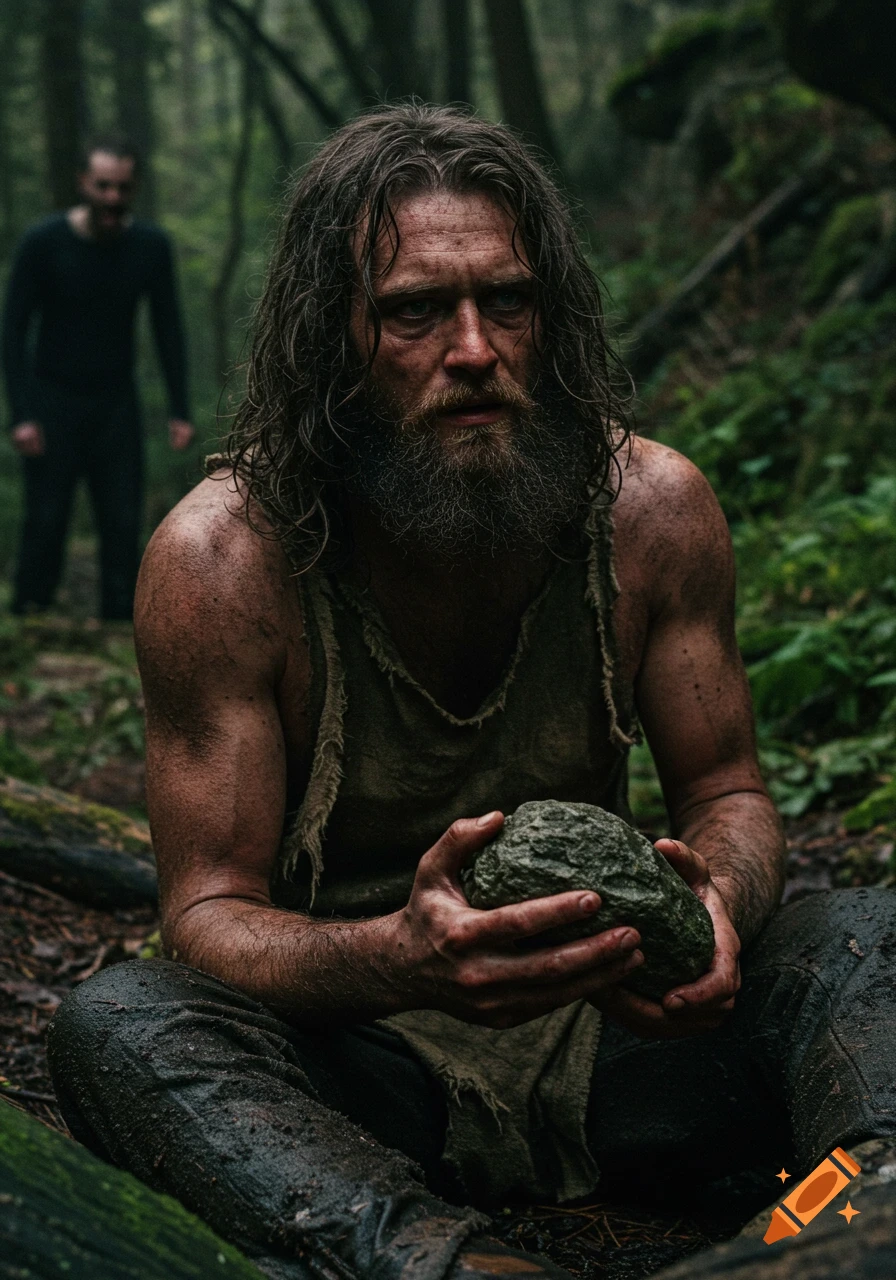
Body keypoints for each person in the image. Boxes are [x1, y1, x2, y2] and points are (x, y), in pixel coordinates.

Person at [47, 105, 896, 1280]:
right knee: (122, 1024)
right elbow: (205, 916)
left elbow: (728, 791)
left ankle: (837, 1231)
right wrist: (399, 953)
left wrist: (714, 910)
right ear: (328, 334)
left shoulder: (648, 509)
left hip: (619, 1036)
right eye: (412, 312)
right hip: (362, 1068)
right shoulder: (223, 561)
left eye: (506, 300)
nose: (473, 349)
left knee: (867, 938)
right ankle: (455, 1265)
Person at [1, 134, 194, 621]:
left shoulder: (150, 247)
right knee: (46, 518)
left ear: (134, 188)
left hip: (116, 402)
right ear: (83, 183)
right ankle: (30, 616)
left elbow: (168, 327)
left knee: (122, 519)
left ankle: (119, 623)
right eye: (103, 185)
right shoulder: (44, 243)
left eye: (123, 188)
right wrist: (21, 414)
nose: (112, 197)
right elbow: (12, 328)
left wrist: (180, 408)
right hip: (52, 399)